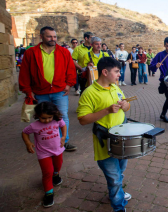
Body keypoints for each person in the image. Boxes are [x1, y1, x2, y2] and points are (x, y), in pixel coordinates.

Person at [77, 57, 131, 212]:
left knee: (120, 172)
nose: (119, 75)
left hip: (122, 139)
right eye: (116, 71)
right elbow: (82, 119)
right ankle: (118, 207)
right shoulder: (89, 92)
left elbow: (126, 105)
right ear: (105, 72)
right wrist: (106, 110)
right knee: (114, 177)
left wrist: (126, 105)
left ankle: (117, 193)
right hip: (105, 141)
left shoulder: (115, 87)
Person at [19, 26, 77, 152]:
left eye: (54, 36)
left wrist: (69, 84)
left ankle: (63, 141)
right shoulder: (31, 52)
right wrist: (28, 91)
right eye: (49, 36)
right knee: (43, 118)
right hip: (40, 92)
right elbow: (24, 73)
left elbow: (70, 70)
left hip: (60, 91)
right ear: (41, 36)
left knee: (62, 116)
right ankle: (46, 141)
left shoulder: (64, 52)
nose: (53, 39)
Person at [21, 101, 67, 208]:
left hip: (57, 149)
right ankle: (49, 193)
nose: (47, 120)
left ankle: (56, 175)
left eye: (49, 117)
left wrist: (63, 137)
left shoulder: (57, 120)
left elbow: (63, 126)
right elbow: (24, 132)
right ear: (37, 116)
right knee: (47, 173)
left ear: (54, 114)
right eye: (43, 118)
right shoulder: (34, 126)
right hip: (43, 153)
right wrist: (28, 143)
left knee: (58, 166)